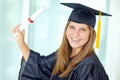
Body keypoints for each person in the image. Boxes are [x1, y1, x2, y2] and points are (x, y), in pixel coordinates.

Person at [12, 3, 111, 80]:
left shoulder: (91, 68)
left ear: (91, 34)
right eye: (72, 27)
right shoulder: (64, 54)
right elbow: (41, 66)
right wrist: (21, 42)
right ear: (66, 29)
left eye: (83, 29)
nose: (76, 33)